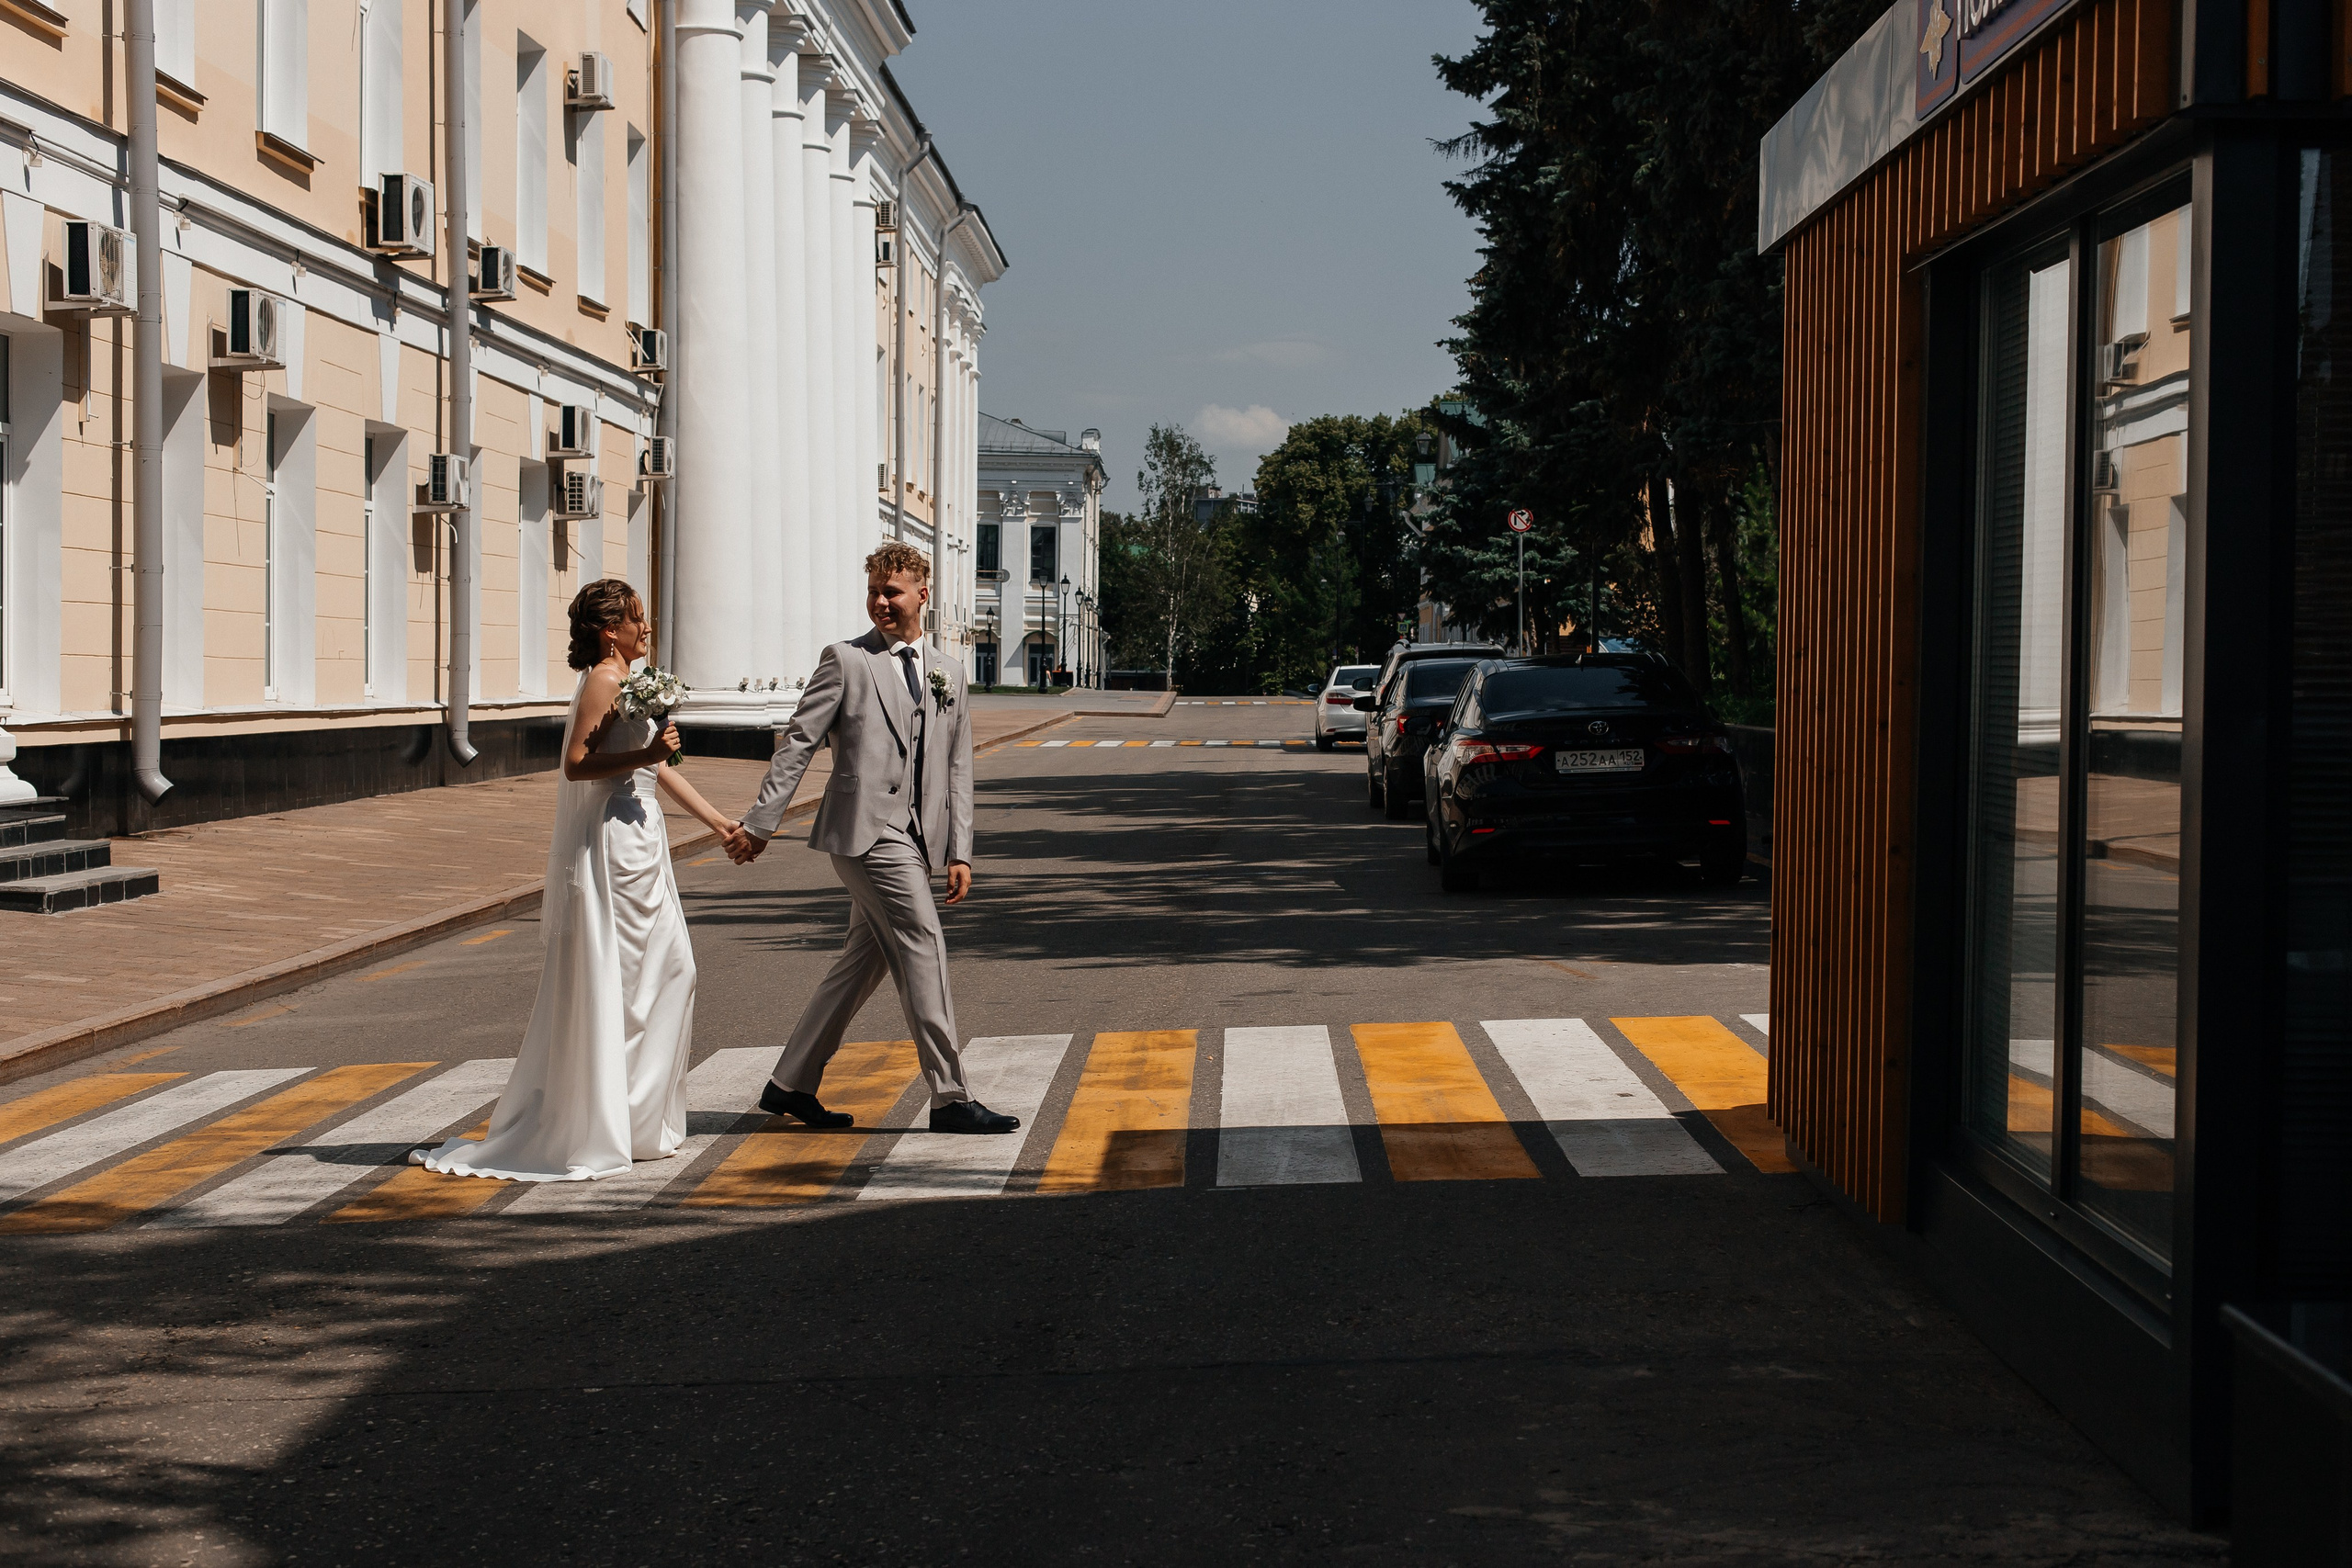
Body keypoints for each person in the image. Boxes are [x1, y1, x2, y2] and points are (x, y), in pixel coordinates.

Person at [419, 580, 748, 1180]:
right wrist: (644, 759)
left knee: (674, 968)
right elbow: (575, 765)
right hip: (616, 846)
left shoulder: (633, 682)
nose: (645, 628)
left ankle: (640, 1120)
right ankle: (609, 1123)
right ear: (609, 629)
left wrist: (720, 821)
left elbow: (661, 768)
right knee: (623, 984)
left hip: (644, 835)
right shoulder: (603, 679)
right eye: (636, 620)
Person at [729, 542, 1016, 1134]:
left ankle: (790, 1084)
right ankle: (951, 1097)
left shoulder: (948, 672)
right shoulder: (846, 661)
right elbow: (798, 744)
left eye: (893, 592)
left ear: (922, 595)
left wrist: (960, 849)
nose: (881, 603)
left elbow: (959, 766)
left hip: (919, 835)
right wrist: (762, 823)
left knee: (859, 966)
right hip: (866, 832)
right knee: (923, 942)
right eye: (874, 592)